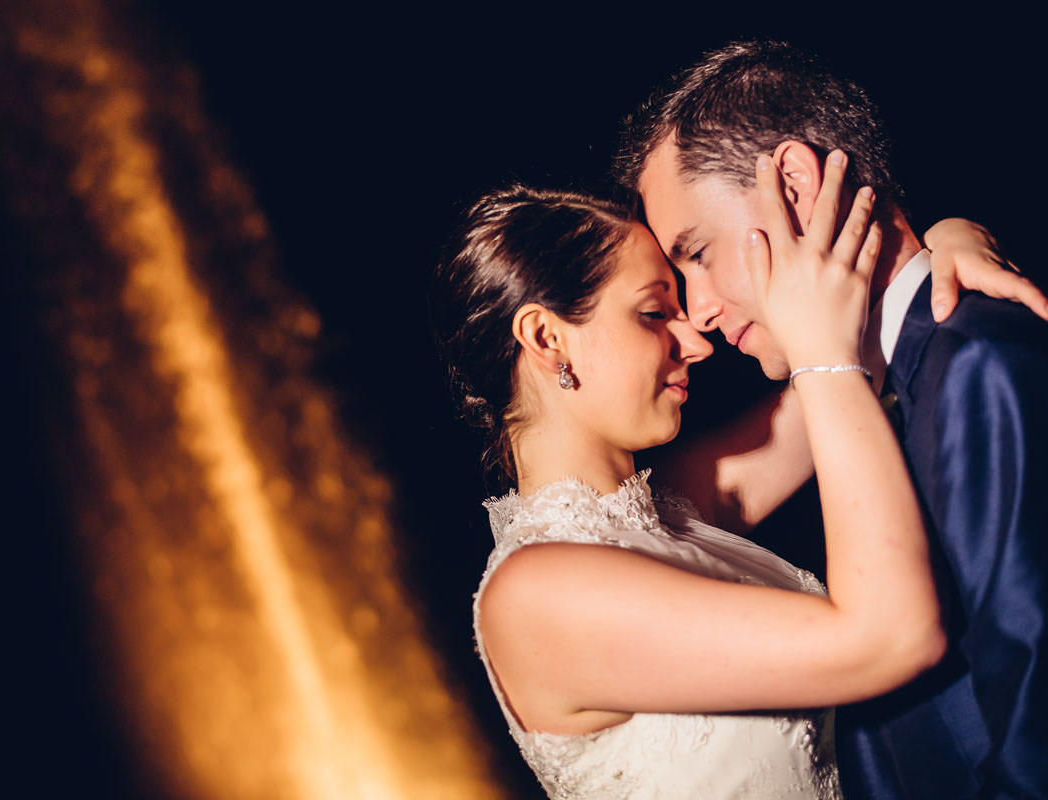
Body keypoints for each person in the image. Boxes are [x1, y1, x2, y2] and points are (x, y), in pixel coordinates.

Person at [429, 160, 1033, 797]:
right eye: (654, 313)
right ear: (547, 337)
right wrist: (823, 350)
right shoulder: (534, 596)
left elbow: (854, 353)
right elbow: (890, 638)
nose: (697, 341)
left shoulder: (676, 505)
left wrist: (943, 242)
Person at [615, 40, 1048, 799]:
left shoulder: (979, 364)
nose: (702, 312)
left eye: (700, 254)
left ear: (795, 182)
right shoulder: (866, 389)